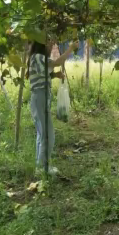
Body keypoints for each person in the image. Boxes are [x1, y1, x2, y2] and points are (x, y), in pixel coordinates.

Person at [26, 39, 79, 175]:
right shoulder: (38, 57)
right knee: (48, 135)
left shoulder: (37, 58)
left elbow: (43, 73)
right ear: (41, 44)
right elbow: (57, 63)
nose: (51, 46)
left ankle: (40, 167)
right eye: (49, 43)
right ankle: (44, 168)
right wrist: (70, 49)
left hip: (40, 97)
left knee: (42, 134)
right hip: (40, 97)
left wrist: (54, 75)